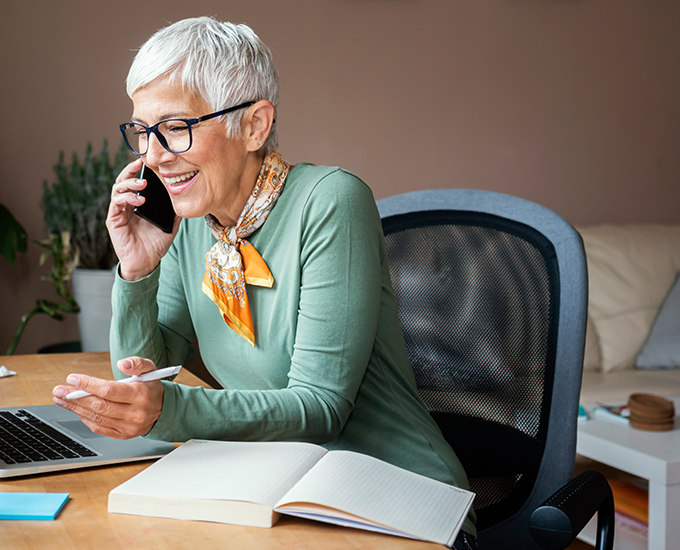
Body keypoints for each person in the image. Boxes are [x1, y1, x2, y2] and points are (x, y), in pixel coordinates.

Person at [51, 17, 477, 548]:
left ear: (254, 125)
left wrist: (169, 408)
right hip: (279, 491)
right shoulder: (190, 224)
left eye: (176, 127)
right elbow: (141, 378)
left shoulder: (330, 202)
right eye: (142, 131)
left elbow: (320, 408)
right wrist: (136, 271)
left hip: (396, 503)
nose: (153, 156)